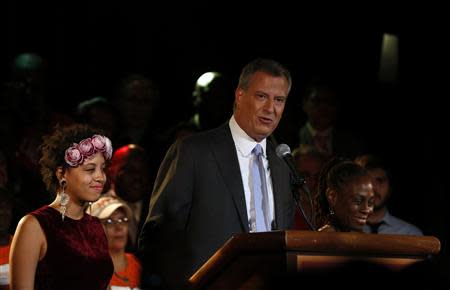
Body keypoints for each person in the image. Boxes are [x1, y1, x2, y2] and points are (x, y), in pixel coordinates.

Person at [138, 58, 295, 289]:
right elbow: (157, 237)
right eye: (261, 96)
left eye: (279, 100)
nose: (270, 109)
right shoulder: (194, 152)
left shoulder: (282, 165)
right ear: (240, 96)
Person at [9, 124, 114, 290]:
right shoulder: (34, 226)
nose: (100, 177)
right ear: (61, 174)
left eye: (103, 169)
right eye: (90, 169)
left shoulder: (97, 227)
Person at [355, 154, 423, 235]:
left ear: (390, 187)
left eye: (380, 180)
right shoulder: (343, 231)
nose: (373, 188)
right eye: (367, 181)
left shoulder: (411, 234)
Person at [298, 81, 365, 159]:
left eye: (329, 101)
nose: (323, 107)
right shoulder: (291, 139)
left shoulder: (352, 142)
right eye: (317, 101)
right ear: (304, 104)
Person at [104, 144, 152, 249]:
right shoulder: (96, 212)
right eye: (129, 170)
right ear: (111, 171)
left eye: (143, 170)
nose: (138, 177)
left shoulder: (156, 209)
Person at [89, 196, 142, 290]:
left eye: (122, 220)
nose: (119, 227)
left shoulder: (138, 264)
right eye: (109, 222)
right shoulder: (88, 269)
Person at [315, 158, 375, 232]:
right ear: (332, 197)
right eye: (357, 201)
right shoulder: (325, 239)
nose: (367, 210)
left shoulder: (360, 236)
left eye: (370, 202)